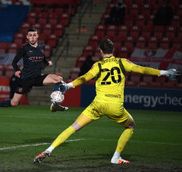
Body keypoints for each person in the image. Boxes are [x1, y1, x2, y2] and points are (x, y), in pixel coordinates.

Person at [34, 39, 179, 164]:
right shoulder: (122, 62)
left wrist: (68, 86)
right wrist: (165, 73)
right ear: (113, 50)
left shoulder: (98, 65)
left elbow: (85, 77)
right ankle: (116, 157)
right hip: (115, 105)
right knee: (130, 126)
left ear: (101, 51)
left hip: (97, 104)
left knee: (73, 127)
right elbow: (142, 70)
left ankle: (48, 150)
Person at [0, 28, 68, 115]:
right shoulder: (24, 49)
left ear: (37, 36)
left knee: (58, 79)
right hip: (25, 79)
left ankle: (55, 102)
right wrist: (16, 70)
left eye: (34, 35)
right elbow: (14, 62)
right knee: (14, 103)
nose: (32, 37)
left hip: (37, 77)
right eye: (30, 35)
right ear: (27, 37)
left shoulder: (42, 47)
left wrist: (47, 62)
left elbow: (42, 57)